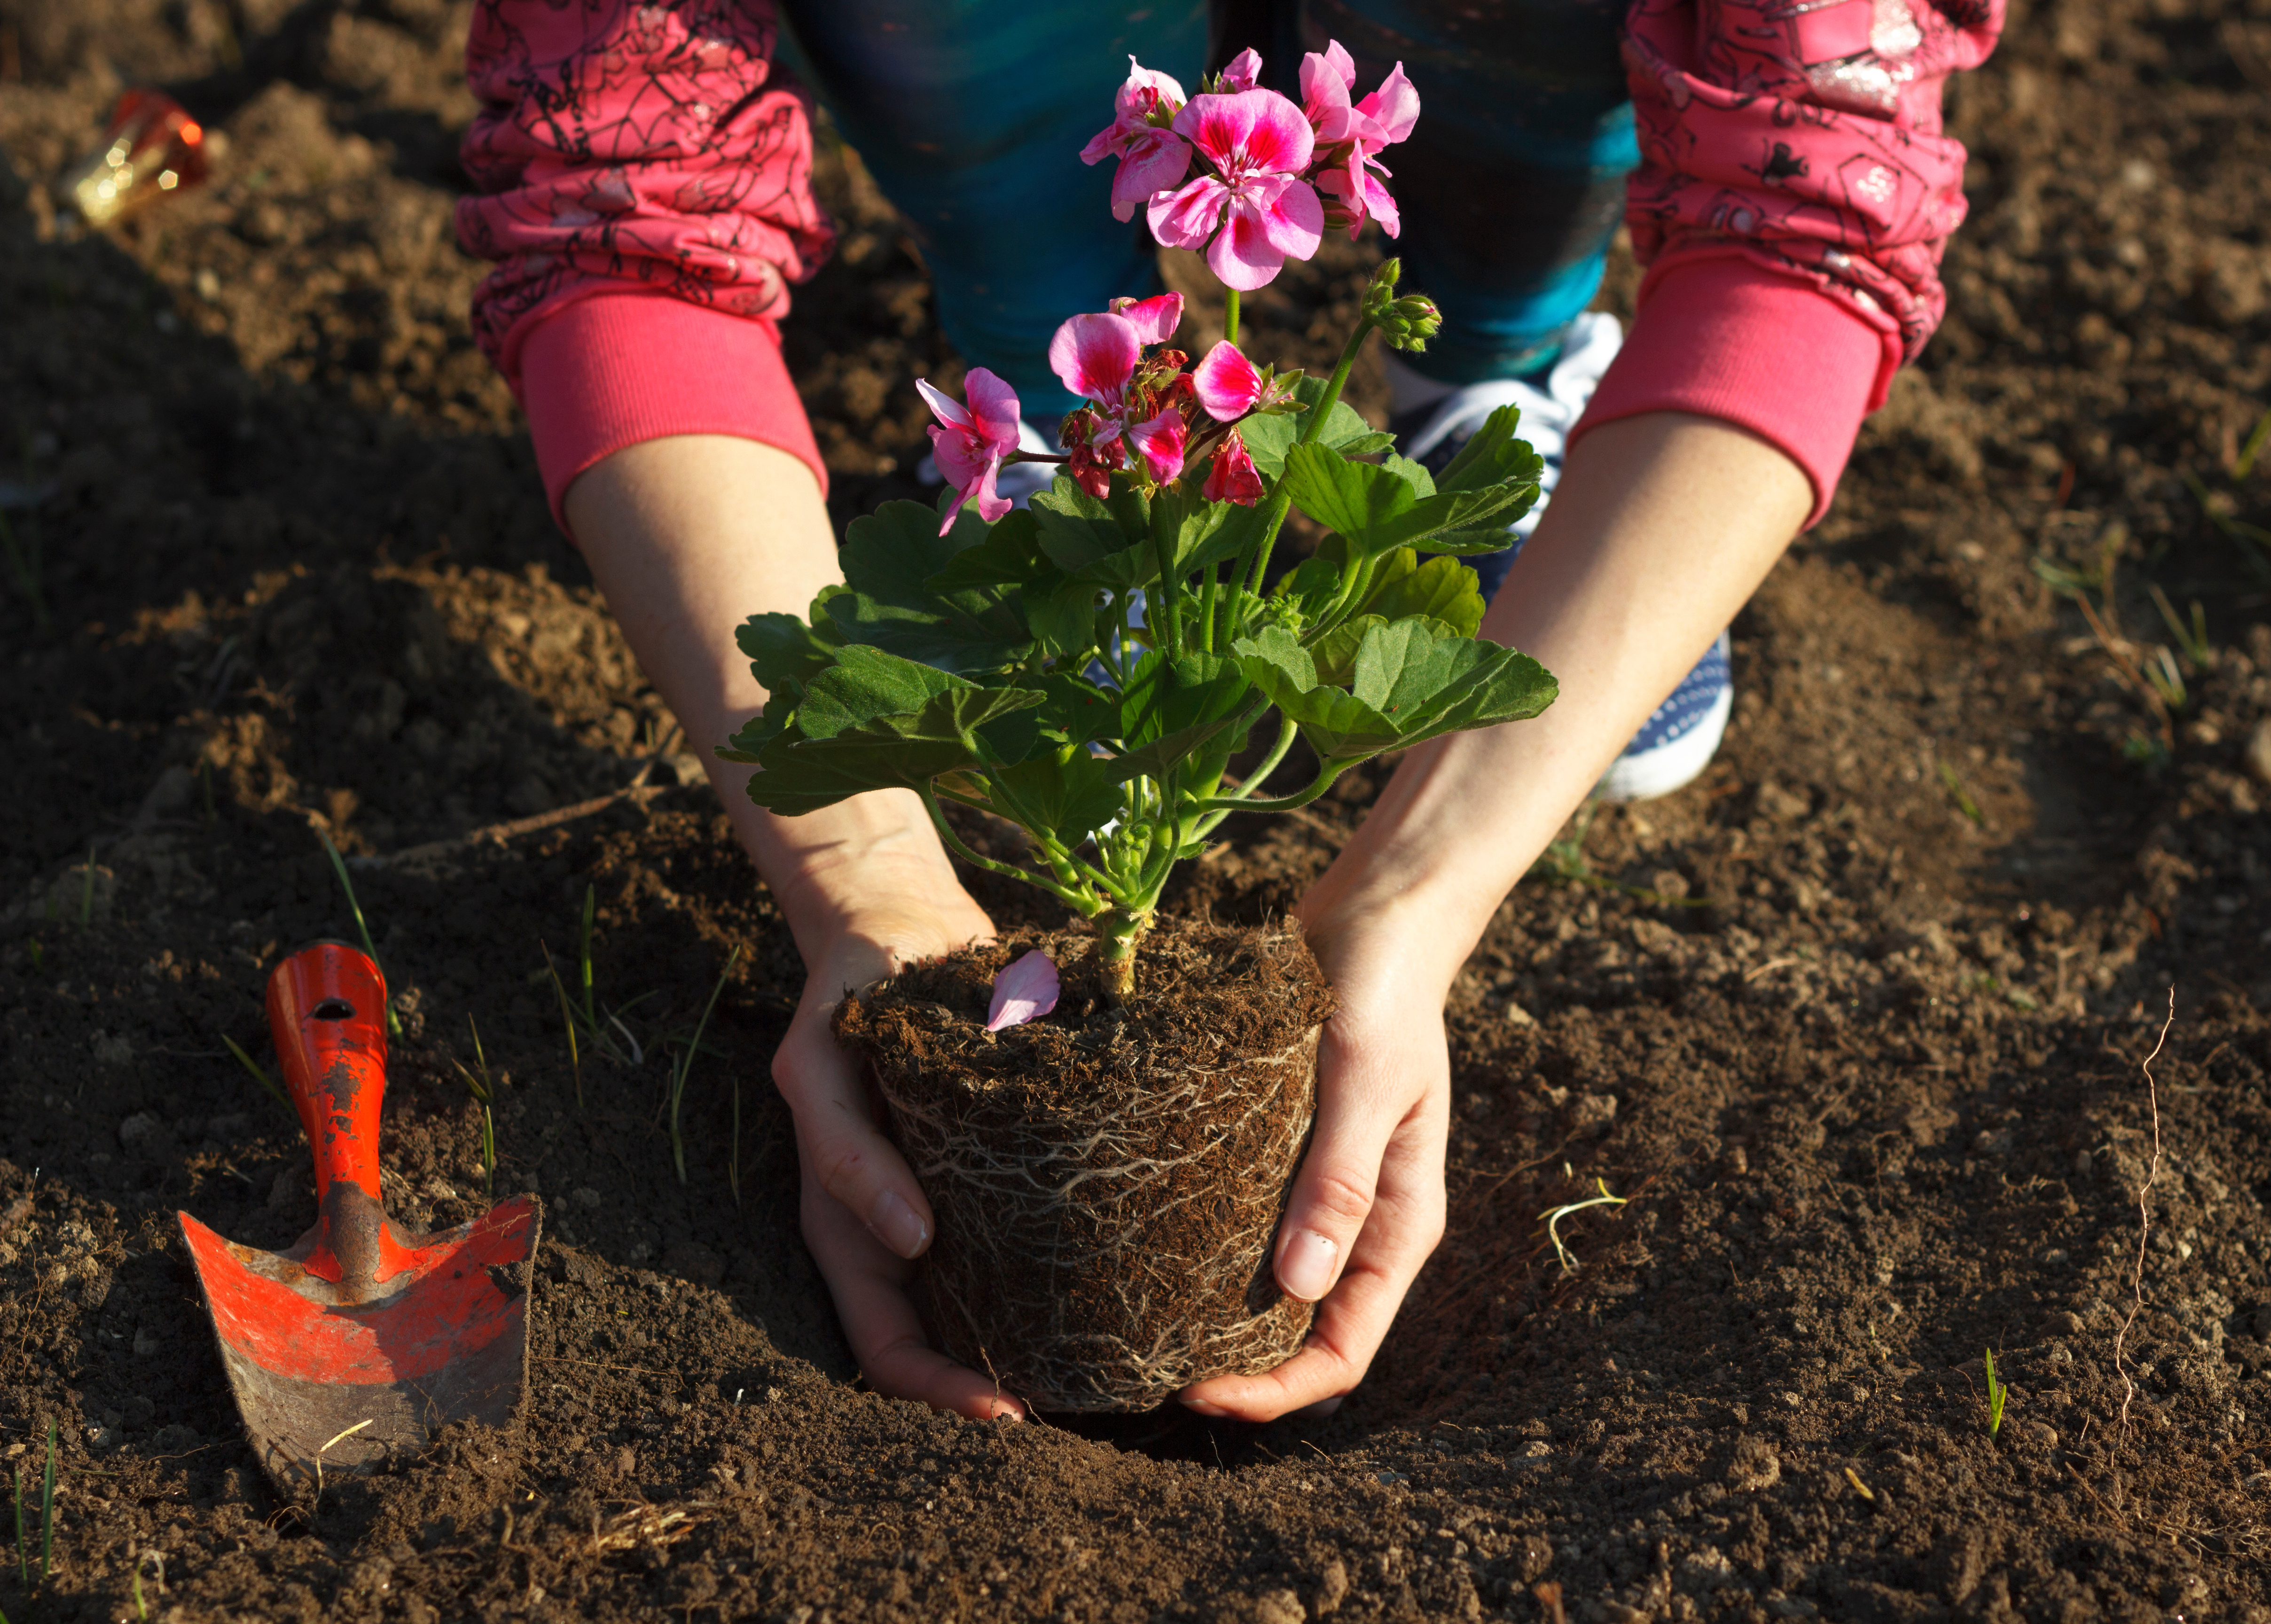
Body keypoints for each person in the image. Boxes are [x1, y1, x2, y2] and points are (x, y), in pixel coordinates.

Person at [456, 0, 2003, 1422]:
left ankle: (1488, 370)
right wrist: (860, 880)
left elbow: (1821, 197)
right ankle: (1084, 415)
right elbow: (618, 196)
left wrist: (1424, 882)